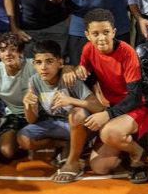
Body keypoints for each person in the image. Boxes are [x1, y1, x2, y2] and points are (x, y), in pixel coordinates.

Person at [63, 9, 148, 183]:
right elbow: (84, 70)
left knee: (108, 132)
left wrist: (107, 114)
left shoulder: (127, 53)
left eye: (106, 32)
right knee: (100, 167)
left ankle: (139, 154)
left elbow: (135, 97)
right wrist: (75, 69)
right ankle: (128, 143)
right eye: (95, 34)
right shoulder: (88, 49)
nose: (101, 38)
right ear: (87, 35)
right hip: (116, 109)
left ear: (114, 32)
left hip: (140, 107)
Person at [21, 40, 102, 183]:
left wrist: (72, 101)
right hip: (56, 125)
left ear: (60, 62)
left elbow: (99, 107)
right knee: (24, 139)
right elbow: (32, 120)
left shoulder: (69, 79)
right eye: (38, 62)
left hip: (80, 126)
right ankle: (65, 145)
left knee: (77, 114)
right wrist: (27, 105)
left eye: (49, 61)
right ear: (34, 64)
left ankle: (73, 162)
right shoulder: (34, 81)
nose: (44, 67)